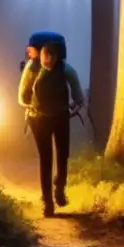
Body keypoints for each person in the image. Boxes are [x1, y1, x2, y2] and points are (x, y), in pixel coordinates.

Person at [19, 41, 85, 216]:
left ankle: (49, 201)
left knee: (47, 159)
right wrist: (74, 105)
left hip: (38, 118)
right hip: (58, 117)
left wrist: (30, 105)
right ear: (41, 54)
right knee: (61, 155)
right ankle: (55, 194)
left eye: (51, 58)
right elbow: (79, 96)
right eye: (46, 57)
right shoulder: (66, 69)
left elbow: (21, 97)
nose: (48, 61)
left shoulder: (32, 68)